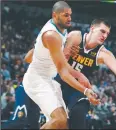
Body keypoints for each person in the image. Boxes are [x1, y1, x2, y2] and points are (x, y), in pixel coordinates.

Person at [54, 18, 116, 129]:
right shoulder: (76, 36)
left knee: (79, 114)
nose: (105, 36)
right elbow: (61, 62)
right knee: (57, 121)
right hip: (60, 82)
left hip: (79, 90)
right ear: (92, 29)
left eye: (107, 34)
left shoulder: (104, 54)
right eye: (102, 31)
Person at [22, 1, 99, 129]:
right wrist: (85, 90)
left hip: (49, 80)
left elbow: (29, 57)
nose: (69, 18)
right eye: (65, 15)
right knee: (59, 120)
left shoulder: (60, 29)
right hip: (38, 80)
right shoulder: (51, 35)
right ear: (55, 15)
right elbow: (63, 72)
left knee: (63, 125)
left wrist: (79, 74)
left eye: (70, 15)